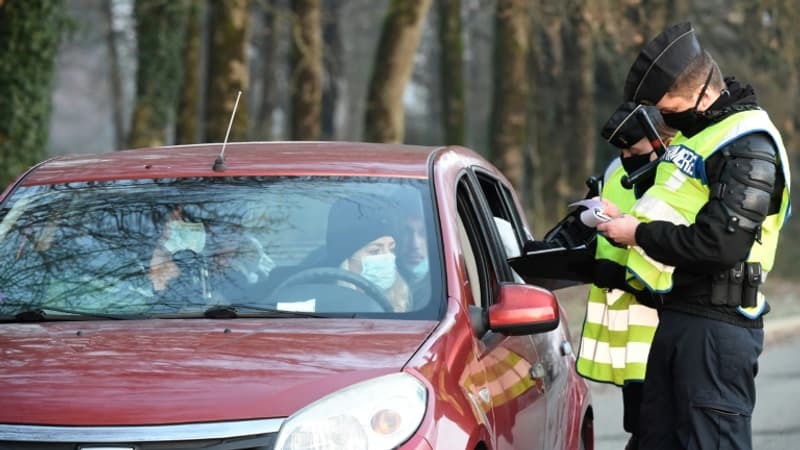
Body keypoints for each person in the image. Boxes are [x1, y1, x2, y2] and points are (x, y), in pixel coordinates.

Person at [597, 21, 791, 450]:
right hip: (680, 314)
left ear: (703, 94)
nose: (664, 115)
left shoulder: (749, 144)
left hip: (717, 325)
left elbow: (721, 245)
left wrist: (638, 233)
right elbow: (677, 209)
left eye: (668, 105)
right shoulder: (699, 137)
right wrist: (623, 220)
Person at [576, 102, 673, 450]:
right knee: (642, 428)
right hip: (631, 341)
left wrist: (621, 276)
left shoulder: (677, 178)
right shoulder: (615, 170)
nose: (627, 158)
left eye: (635, 150)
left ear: (663, 140)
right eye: (623, 151)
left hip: (667, 332)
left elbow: (677, 251)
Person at [325, 198, 412, 312]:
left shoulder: (404, 298)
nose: (387, 257)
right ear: (346, 259)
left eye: (392, 249)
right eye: (374, 251)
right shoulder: (321, 302)